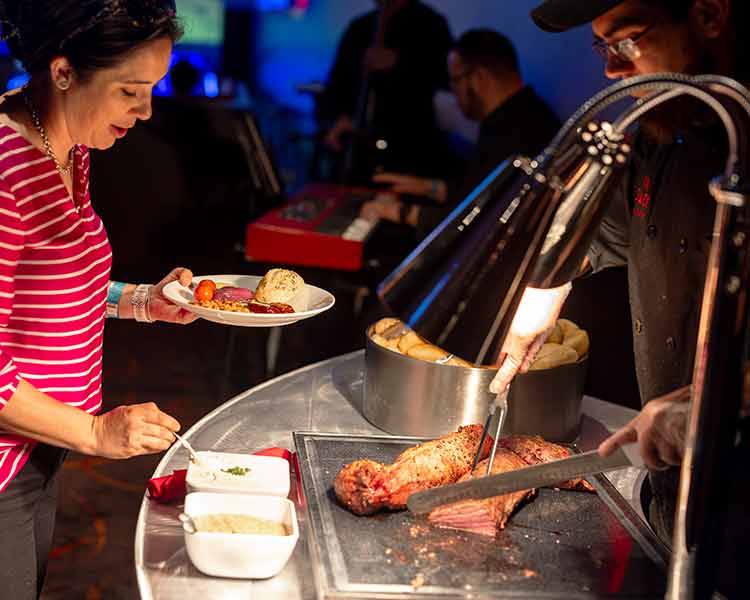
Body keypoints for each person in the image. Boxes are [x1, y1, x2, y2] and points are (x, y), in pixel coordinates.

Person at [489, 0, 747, 549]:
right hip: (670, 500)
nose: (610, 70)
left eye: (626, 41)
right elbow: (601, 236)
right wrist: (541, 294)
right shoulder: (662, 132)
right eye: (602, 46)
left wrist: (721, 398)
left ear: (707, 14)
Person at [0, 1, 197, 597]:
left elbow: (52, 282)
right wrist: (95, 433)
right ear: (63, 73)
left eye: (153, 89)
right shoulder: (6, 172)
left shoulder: (64, 142)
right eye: (130, 91)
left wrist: (143, 301)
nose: (146, 111)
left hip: (39, 447)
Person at [360, 29, 561, 240]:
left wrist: (400, 212)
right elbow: (482, 191)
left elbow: (478, 220)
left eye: (455, 81)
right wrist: (429, 187)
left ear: (479, 78)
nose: (453, 93)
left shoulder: (519, 133)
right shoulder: (522, 115)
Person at [319, 0, 453, 183]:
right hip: (359, 148)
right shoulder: (360, 27)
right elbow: (337, 83)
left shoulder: (428, 23)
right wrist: (336, 118)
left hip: (410, 146)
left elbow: (445, 77)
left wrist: (399, 61)